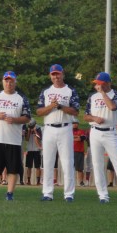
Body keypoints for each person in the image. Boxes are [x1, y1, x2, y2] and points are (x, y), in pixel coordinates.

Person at [83, 72, 117, 205]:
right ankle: (103, 195)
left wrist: (102, 93)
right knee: (97, 165)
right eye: (96, 83)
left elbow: (112, 107)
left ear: (107, 83)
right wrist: (94, 118)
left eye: (100, 83)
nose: (97, 86)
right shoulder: (92, 97)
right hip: (95, 132)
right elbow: (85, 116)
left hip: (110, 132)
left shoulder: (116, 94)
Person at [0, 71, 31, 201]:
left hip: (14, 140)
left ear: (15, 82)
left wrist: (14, 120)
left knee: (13, 169)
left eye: (11, 81)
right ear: (2, 81)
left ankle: (10, 194)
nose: (8, 83)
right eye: (6, 80)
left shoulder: (21, 98)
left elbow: (27, 117)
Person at [35, 64, 79, 201]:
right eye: (53, 74)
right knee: (48, 162)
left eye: (58, 74)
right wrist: (51, 106)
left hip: (65, 127)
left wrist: (59, 106)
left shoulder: (70, 90)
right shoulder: (46, 91)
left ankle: (69, 194)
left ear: (62, 74)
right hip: (49, 128)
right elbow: (39, 111)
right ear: (50, 76)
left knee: (67, 162)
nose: (56, 76)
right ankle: (47, 193)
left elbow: (75, 111)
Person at [23, 119, 42, 187]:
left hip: (37, 150)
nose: (31, 127)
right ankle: (28, 181)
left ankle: (38, 181)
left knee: (37, 166)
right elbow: (27, 139)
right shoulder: (27, 129)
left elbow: (39, 137)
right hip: (29, 150)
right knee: (29, 166)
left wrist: (35, 131)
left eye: (32, 126)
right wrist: (28, 131)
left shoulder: (38, 128)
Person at [72, 122, 88, 187]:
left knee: (80, 168)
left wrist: (73, 137)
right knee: (69, 168)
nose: (75, 124)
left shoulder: (81, 131)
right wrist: (77, 137)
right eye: (73, 123)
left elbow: (82, 138)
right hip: (70, 151)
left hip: (79, 151)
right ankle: (70, 182)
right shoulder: (68, 131)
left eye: (76, 123)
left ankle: (81, 182)